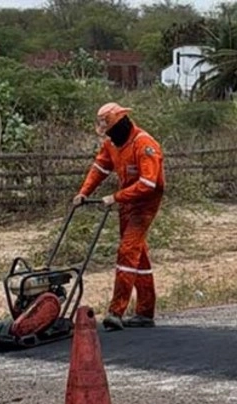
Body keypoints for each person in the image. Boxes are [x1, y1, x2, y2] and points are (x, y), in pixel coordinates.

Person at [73, 102, 165, 331]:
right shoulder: (112, 145)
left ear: (121, 124)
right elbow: (99, 169)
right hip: (127, 202)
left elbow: (148, 184)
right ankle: (145, 312)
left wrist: (116, 197)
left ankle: (116, 311)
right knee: (138, 256)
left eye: (111, 131)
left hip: (144, 203)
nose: (109, 136)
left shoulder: (144, 144)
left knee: (127, 251)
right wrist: (83, 193)